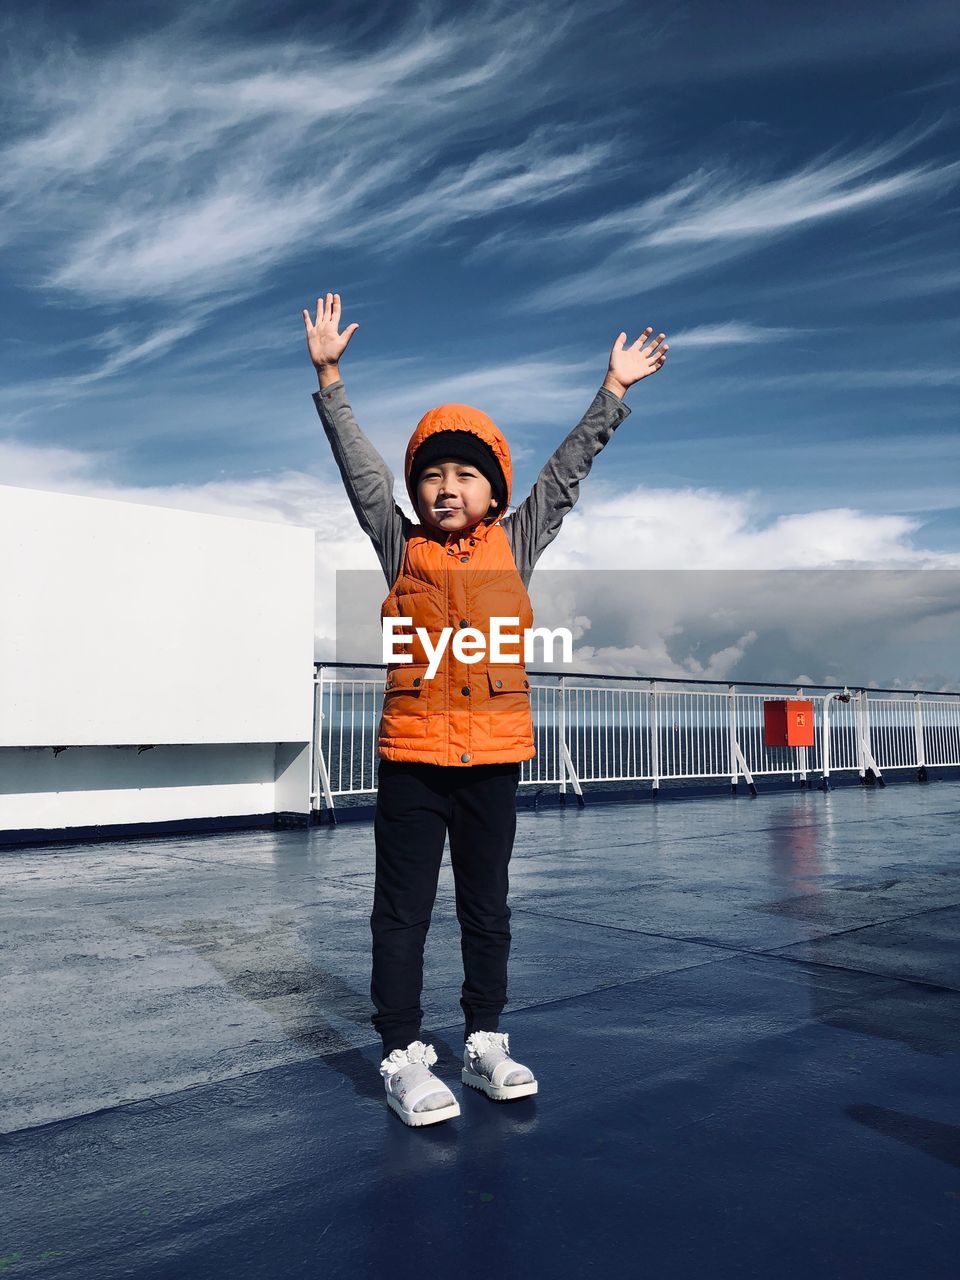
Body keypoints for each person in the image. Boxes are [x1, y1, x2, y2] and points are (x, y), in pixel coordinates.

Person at [304, 293, 668, 1126]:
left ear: (493, 486)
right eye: (431, 473)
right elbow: (359, 466)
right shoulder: (400, 548)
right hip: (411, 759)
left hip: (493, 757)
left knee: (486, 908)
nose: (444, 487)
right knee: (400, 913)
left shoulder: (521, 538)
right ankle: (401, 1055)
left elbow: (566, 472)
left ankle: (483, 1042)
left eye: (464, 473)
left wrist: (610, 392)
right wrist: (330, 377)